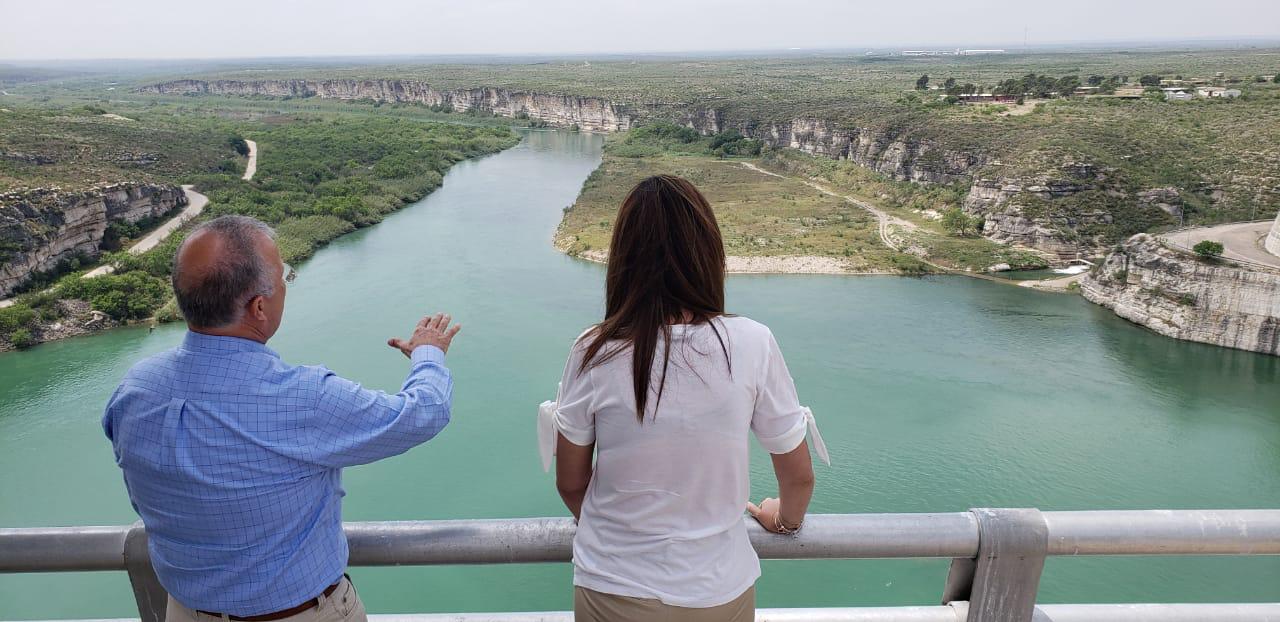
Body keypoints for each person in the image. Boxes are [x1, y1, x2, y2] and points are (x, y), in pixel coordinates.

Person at [103, 215, 461, 622]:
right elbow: (423, 413)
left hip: (185, 612)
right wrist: (428, 353)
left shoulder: (135, 390)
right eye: (284, 278)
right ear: (258, 307)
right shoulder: (302, 398)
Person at [546, 175, 825, 622]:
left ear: (623, 259)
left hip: (611, 588)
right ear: (708, 254)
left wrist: (621, 537)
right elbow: (798, 476)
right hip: (718, 590)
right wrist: (784, 521)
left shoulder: (594, 350)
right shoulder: (752, 342)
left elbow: (571, 483)